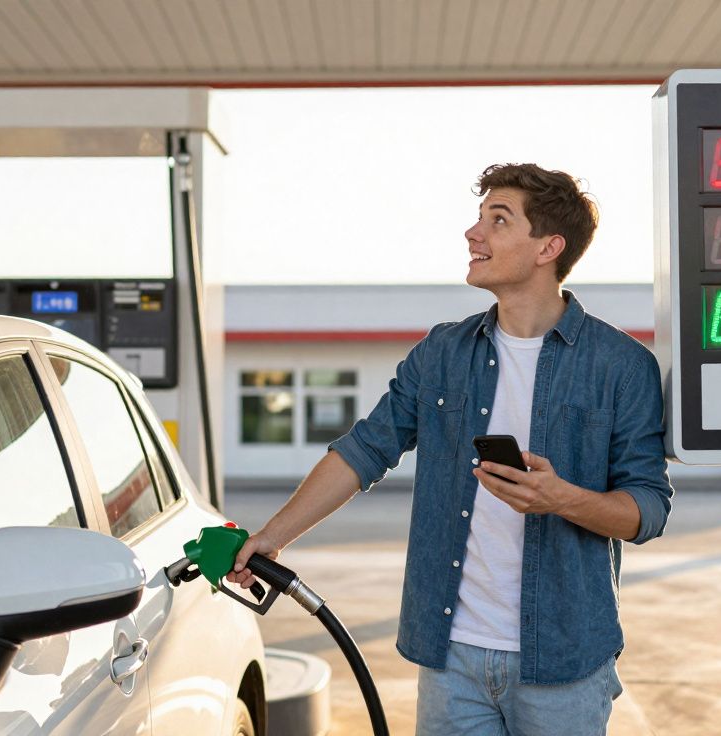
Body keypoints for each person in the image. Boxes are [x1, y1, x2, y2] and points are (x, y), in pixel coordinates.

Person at [227, 163, 673, 735]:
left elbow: (648, 510)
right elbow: (363, 451)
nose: (473, 233)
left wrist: (561, 499)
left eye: (498, 219)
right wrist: (272, 537)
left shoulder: (620, 365)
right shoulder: (442, 352)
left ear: (548, 247)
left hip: (565, 660)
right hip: (452, 656)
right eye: (479, 217)